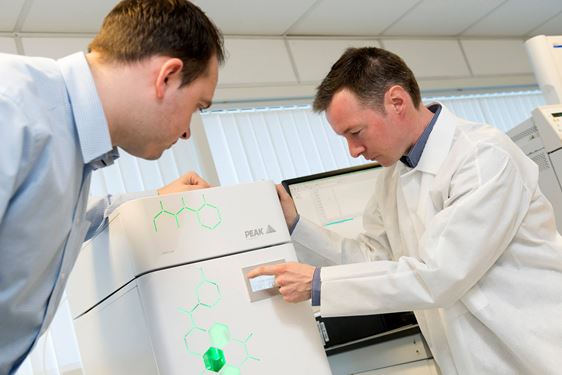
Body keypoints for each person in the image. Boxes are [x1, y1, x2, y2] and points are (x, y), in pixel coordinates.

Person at [248, 47, 562, 374]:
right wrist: (295, 224)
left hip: (538, 356)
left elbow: (440, 274)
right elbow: (373, 259)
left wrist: (318, 284)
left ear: (396, 102)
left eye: (355, 133)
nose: (353, 151)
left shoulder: (482, 158)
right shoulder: (393, 178)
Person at [0, 0, 224, 373]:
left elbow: (66, 217)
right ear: (167, 76)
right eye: (197, 106)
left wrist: (154, 200)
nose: (187, 131)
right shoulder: (13, 108)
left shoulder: (65, 140)